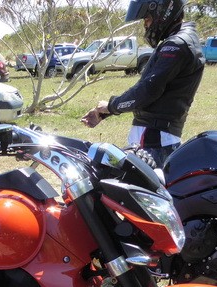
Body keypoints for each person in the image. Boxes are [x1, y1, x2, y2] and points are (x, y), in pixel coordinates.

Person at [80, 0, 205, 168]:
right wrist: (107, 111)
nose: (146, 26)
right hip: (160, 136)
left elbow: (148, 90)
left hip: (154, 138)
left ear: (162, 12)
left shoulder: (176, 45)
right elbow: (155, 92)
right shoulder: (183, 40)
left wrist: (111, 106)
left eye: (147, 19)